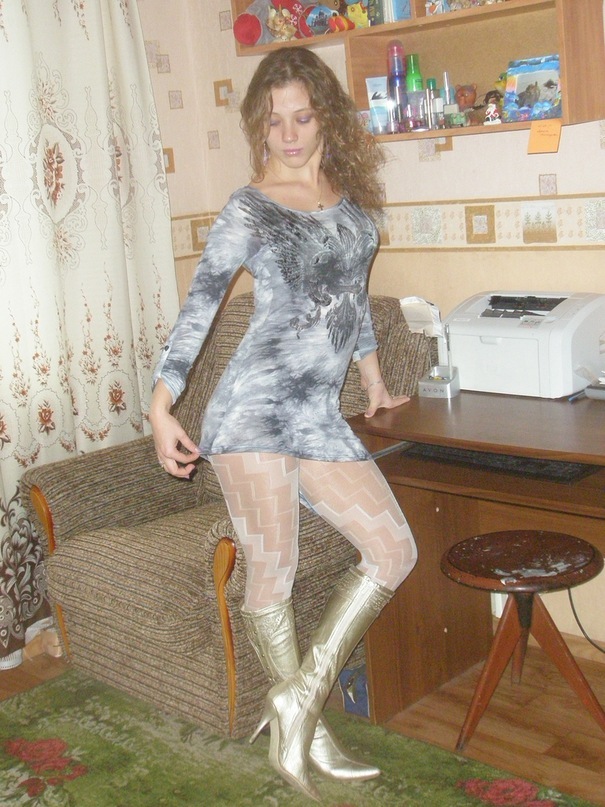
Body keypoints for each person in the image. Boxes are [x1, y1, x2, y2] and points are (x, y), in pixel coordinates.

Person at [150, 46, 418, 802]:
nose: (290, 135)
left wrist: (372, 378)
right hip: (252, 413)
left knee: (393, 549)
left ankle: (298, 700)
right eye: (275, 122)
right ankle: (311, 727)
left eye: (302, 117)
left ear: (326, 117)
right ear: (258, 128)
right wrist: (160, 403)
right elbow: (201, 305)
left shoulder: (349, 201)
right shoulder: (251, 208)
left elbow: (353, 297)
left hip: (316, 414)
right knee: (274, 571)